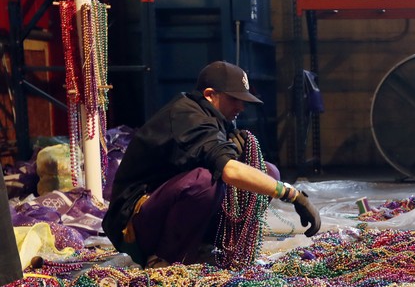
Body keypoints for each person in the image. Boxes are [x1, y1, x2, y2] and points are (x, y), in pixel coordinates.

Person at [103, 60, 321, 268]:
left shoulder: (213, 118)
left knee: (266, 172)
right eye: (234, 99)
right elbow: (230, 172)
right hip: (133, 226)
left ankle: (210, 246)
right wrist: (293, 195)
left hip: (159, 210)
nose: (241, 107)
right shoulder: (187, 117)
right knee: (204, 182)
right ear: (210, 95)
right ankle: (163, 258)